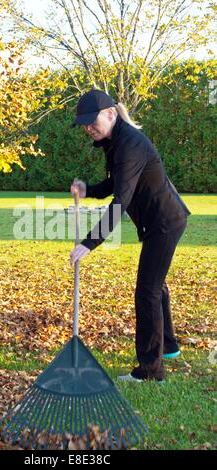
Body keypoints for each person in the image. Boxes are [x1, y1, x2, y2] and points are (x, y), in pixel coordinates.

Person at [69, 89, 190, 382]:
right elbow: (116, 184)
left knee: (147, 292)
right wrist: (89, 191)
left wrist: (90, 242)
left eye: (91, 121)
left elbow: (120, 201)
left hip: (163, 223)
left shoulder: (130, 145)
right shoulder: (116, 142)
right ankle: (169, 347)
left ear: (110, 114)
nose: (88, 128)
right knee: (156, 287)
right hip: (158, 222)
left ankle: (151, 370)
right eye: (84, 124)